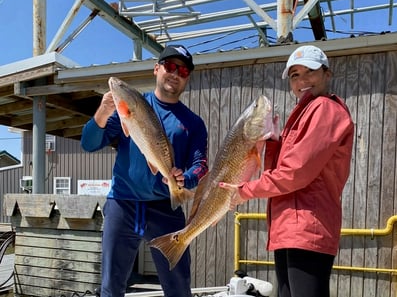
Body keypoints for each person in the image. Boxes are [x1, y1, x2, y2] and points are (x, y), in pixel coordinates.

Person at [220, 45, 354, 297]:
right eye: (294, 75)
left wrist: (245, 191)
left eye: (310, 72)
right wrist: (272, 142)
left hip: (307, 225)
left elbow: (296, 173)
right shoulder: (303, 112)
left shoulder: (324, 108)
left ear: (327, 74)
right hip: (290, 226)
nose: (302, 80)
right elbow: (285, 167)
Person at [81, 44, 208, 297]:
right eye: (170, 66)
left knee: (179, 285)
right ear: (156, 69)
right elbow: (89, 143)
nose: (175, 73)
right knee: (111, 284)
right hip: (122, 204)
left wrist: (187, 178)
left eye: (182, 70)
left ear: (188, 78)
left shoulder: (193, 122)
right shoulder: (131, 105)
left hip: (166, 208)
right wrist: (104, 112)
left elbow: (200, 166)